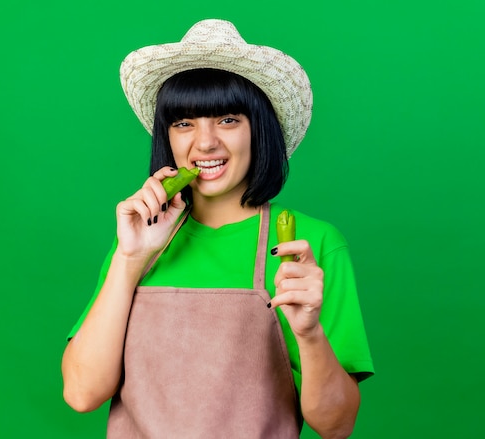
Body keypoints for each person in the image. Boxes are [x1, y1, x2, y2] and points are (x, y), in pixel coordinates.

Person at [61, 19, 374, 438]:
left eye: (228, 120)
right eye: (184, 123)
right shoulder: (139, 239)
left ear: (258, 129)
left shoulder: (310, 245)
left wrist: (310, 333)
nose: (204, 143)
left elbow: (336, 425)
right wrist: (129, 258)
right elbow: (82, 393)